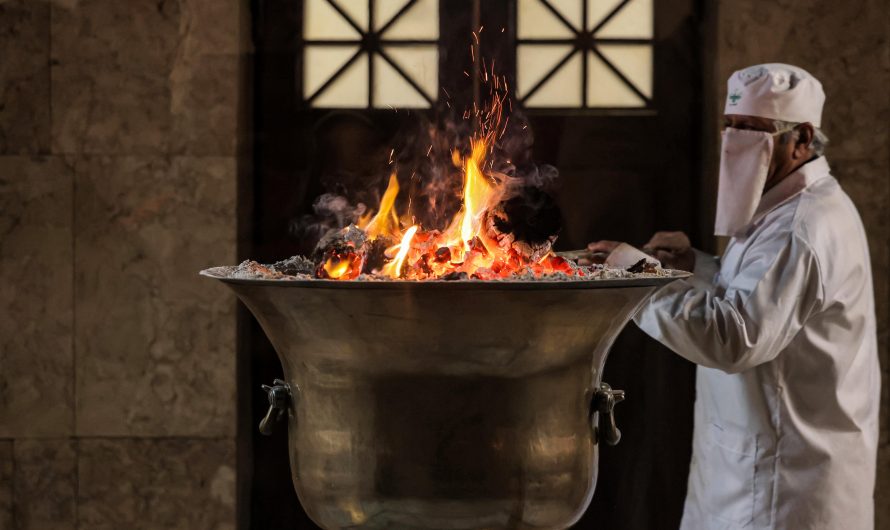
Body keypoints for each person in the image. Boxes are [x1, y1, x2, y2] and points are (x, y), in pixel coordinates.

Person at [590, 64, 880, 529]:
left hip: (784, 484)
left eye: (752, 130)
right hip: (745, 464)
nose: (734, 140)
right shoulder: (780, 206)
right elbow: (758, 294)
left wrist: (638, 277)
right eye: (730, 126)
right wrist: (695, 268)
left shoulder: (802, 225)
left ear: (801, 139)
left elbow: (734, 336)